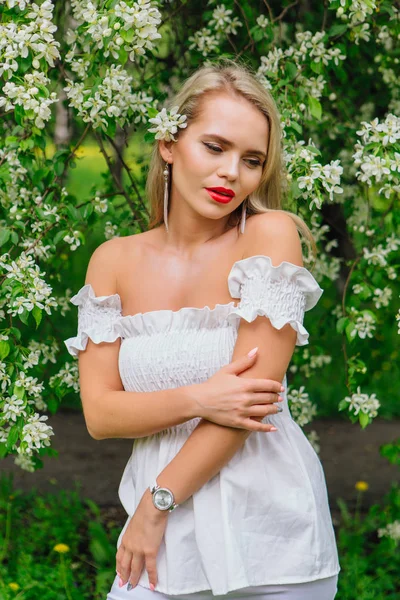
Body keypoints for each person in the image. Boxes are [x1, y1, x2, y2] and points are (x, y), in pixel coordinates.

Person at [64, 58, 340, 600]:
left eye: (252, 159)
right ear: (169, 144)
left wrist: (154, 503)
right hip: (160, 552)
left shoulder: (269, 237)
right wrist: (201, 396)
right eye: (214, 147)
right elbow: (99, 413)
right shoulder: (111, 262)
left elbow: (248, 405)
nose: (231, 173)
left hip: (270, 540)